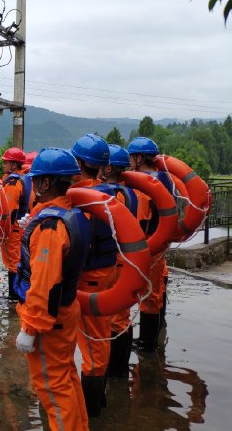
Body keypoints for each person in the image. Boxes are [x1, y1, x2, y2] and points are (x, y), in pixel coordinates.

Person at [15, 147, 90, 431]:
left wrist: (30, 328)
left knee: (53, 390)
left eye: (36, 180)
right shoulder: (70, 215)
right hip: (64, 313)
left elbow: (43, 284)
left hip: (49, 321)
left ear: (46, 183)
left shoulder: (50, 227)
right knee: (66, 379)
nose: (33, 185)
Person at [70, 133, 114, 416]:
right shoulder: (109, 192)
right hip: (107, 271)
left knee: (92, 343)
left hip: (91, 277)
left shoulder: (84, 199)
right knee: (100, 336)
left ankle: (92, 407)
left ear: (80, 163)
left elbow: (79, 242)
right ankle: (100, 396)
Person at [127, 136, 177, 352]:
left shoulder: (145, 184)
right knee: (155, 288)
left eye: (131, 157)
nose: (129, 161)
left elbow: (141, 219)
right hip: (160, 241)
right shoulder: (163, 178)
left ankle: (147, 343)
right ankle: (155, 332)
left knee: (149, 292)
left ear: (139, 158)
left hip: (149, 243)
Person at [101, 144, 139, 378]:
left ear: (108, 168)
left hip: (117, 259)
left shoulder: (116, 196)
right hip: (124, 257)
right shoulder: (126, 192)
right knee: (120, 315)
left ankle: (116, 370)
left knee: (117, 317)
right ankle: (118, 368)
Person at [0, 146, 29, 304]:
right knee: (15, 260)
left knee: (13, 261)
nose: (3, 165)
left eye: (6, 162)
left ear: (14, 164)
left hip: (13, 227)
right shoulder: (23, 178)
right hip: (19, 225)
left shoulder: (13, 183)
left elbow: (9, 210)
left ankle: (15, 293)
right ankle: (14, 292)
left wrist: (4, 231)